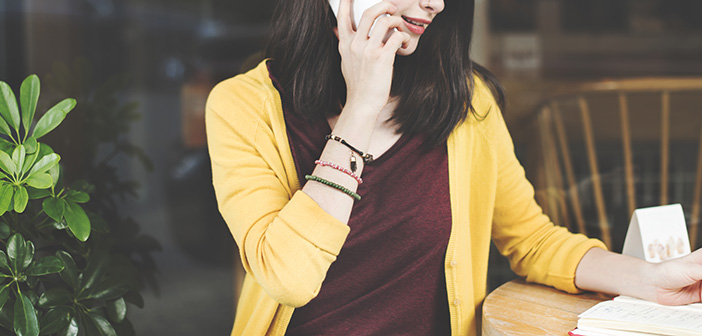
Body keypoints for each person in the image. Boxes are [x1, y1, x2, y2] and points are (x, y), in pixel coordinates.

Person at [205, 0, 702, 334]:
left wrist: (650, 278)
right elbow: (288, 278)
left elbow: (531, 241)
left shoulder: (465, 102)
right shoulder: (242, 107)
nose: (437, 3)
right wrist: (361, 108)